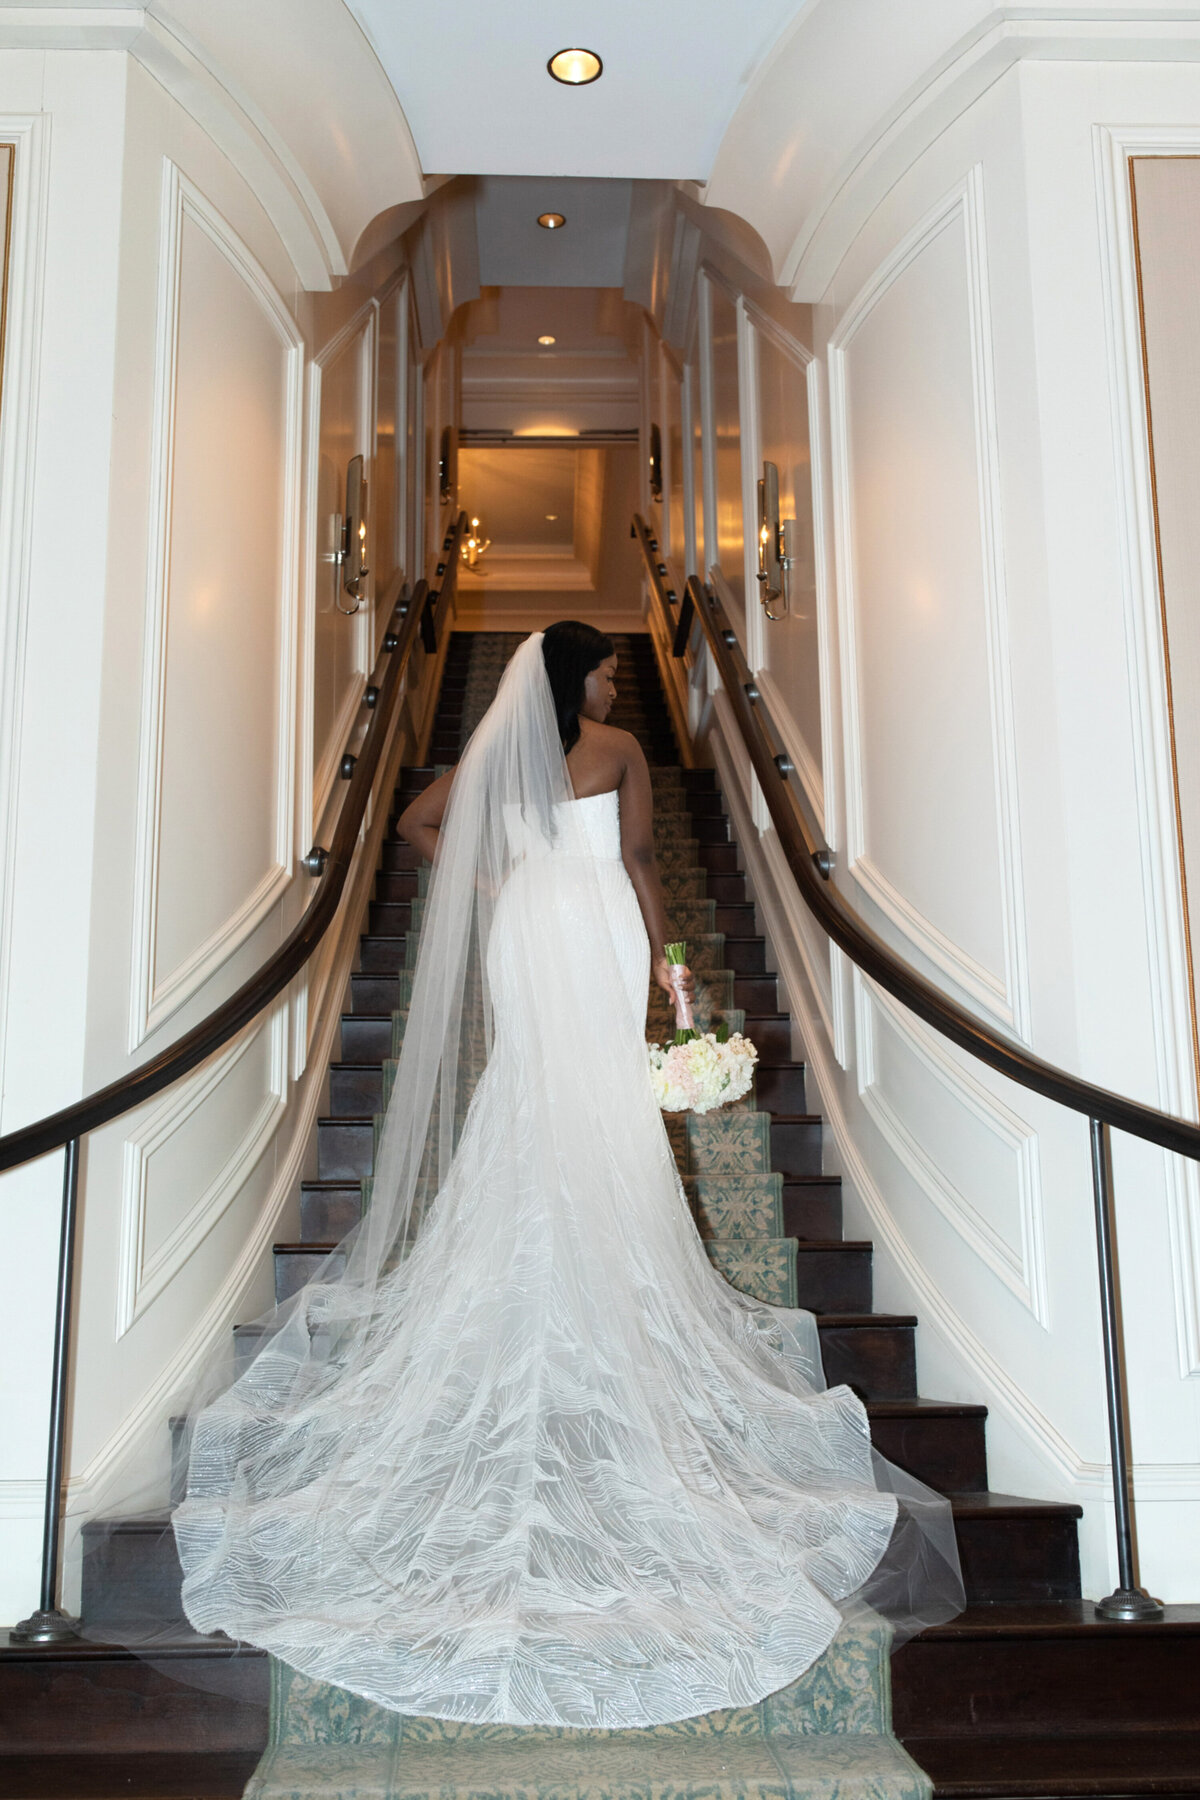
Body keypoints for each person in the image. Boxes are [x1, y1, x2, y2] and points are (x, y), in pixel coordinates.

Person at [172, 622, 963, 1729]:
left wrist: (496, 881)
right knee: (594, 1106)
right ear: (579, 676)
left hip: (529, 922)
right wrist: (678, 987)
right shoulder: (620, 746)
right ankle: (594, 1292)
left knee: (532, 1098)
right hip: (592, 924)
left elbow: (413, 824)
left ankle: (535, 1285)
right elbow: (640, 862)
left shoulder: (498, 754)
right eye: (603, 668)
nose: (610, 680)